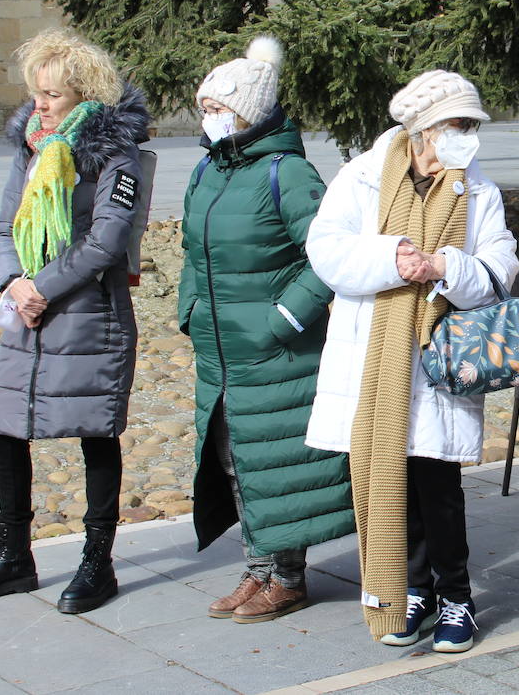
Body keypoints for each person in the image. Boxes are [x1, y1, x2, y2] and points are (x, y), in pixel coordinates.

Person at [305, 70, 518, 654]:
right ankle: (411, 588)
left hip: (437, 353)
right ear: (423, 129)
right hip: (376, 353)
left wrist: (444, 265)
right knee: (391, 475)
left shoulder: (480, 192)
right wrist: (390, 258)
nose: (467, 137)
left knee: (438, 483)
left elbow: (501, 269)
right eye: (457, 125)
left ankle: (457, 597)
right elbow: (325, 246)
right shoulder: (364, 176)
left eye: (472, 126)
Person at [0, 28, 149, 614]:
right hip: (27, 312)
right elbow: (1, 226)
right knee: (4, 425)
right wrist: (13, 282)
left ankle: (97, 561)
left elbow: (108, 239)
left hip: (89, 312)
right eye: (37, 91)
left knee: (95, 429)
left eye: (53, 95)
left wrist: (42, 285)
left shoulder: (115, 152)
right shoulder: (33, 147)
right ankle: (14, 555)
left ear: (84, 95)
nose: (39, 103)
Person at [180, 37, 353, 623]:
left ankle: (288, 577)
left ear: (250, 110)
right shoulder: (208, 170)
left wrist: (283, 319)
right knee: (233, 459)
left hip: (276, 351)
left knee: (275, 462)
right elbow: (191, 252)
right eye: (204, 108)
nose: (208, 118)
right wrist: (189, 309)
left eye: (216, 108)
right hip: (221, 350)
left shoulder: (289, 173)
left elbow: (330, 257)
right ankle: (257, 570)